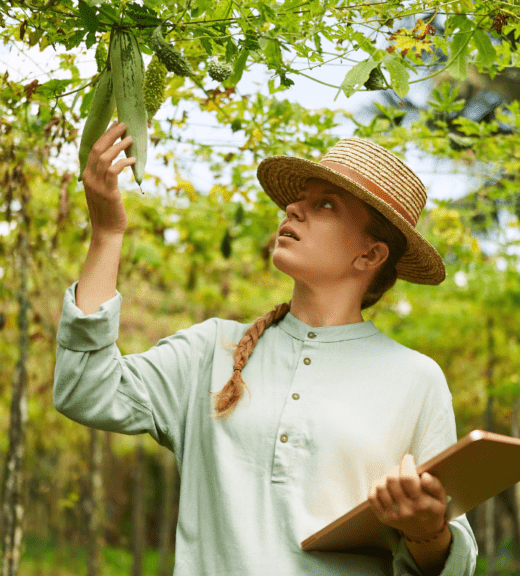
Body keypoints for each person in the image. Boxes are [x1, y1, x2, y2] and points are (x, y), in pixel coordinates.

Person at [53, 121, 478, 576]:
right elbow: (85, 389)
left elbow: (453, 562)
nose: (293, 209)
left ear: (370, 256)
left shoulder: (416, 379)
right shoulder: (210, 350)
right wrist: (106, 233)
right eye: (300, 199)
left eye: (326, 205)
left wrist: (426, 530)